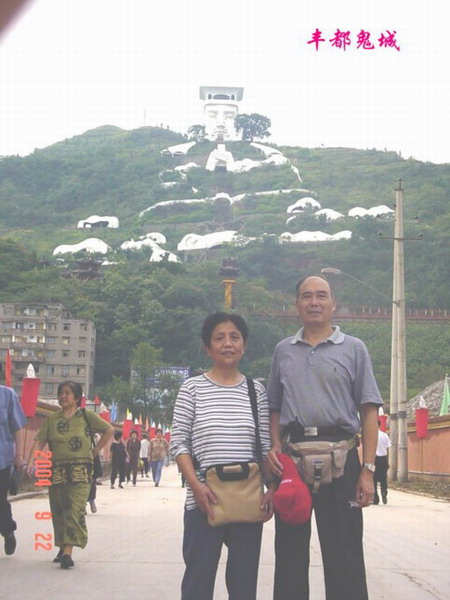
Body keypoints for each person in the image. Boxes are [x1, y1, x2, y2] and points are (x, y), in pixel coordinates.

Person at [267, 275, 382, 600]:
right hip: (293, 461)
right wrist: (275, 447)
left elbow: (368, 411)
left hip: (343, 460)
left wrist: (367, 470)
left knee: (345, 553)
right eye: (306, 296)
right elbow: (274, 407)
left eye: (321, 295)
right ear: (296, 305)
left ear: (333, 304)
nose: (314, 302)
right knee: (289, 553)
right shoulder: (283, 351)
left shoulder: (354, 349)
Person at [171, 312, 275, 600]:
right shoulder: (192, 388)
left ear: (244, 345)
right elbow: (178, 443)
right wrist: (196, 486)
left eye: (234, 337)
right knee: (198, 581)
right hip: (204, 500)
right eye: (219, 338)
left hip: (247, 500)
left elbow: (265, 446)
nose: (227, 344)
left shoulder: (256, 391)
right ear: (207, 348)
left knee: (244, 585)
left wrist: (272, 487)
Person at [32, 381, 113, 568]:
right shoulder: (52, 419)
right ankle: (62, 546)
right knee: (60, 510)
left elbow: (109, 429)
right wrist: (34, 461)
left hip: (81, 472)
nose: (63, 396)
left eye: (67, 393)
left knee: (75, 509)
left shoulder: (86, 415)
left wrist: (95, 452)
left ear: (77, 397)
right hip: (57, 472)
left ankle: (68, 551)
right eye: (61, 393)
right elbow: (39, 440)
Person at [0, 384, 26, 556]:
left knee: (0, 501)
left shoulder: (7, 395)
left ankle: (7, 530)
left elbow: (17, 427)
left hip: (2, 459)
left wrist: (19, 456)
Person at [373, 420, 391, 505]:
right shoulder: (384, 435)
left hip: (374, 459)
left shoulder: (371, 435)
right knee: (383, 478)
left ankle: (375, 498)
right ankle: (384, 492)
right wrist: (387, 461)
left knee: (374, 479)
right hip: (383, 458)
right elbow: (387, 449)